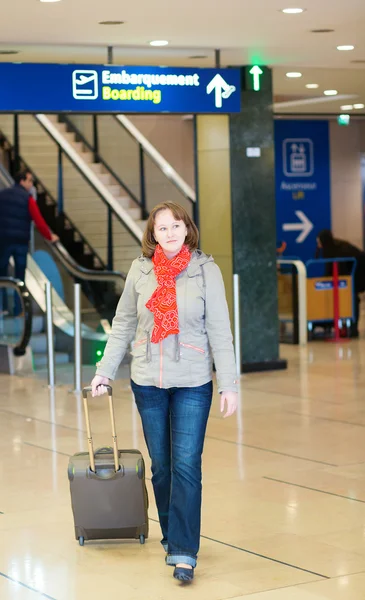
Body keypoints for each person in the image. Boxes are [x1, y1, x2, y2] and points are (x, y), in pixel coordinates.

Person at [91, 201, 238, 582]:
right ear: (152, 234)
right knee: (161, 468)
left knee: (187, 465)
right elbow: (123, 324)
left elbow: (220, 329)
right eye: (162, 229)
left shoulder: (206, 271)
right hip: (148, 382)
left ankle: (185, 552)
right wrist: (105, 371)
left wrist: (229, 383)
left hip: (193, 381)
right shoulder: (141, 270)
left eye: (176, 226)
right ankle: (174, 537)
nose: (170, 233)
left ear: (187, 229)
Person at [0, 169, 58, 314]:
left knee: (2, 275)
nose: (31, 184)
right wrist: (50, 236)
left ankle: (3, 307)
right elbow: (38, 220)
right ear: (22, 181)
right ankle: (18, 309)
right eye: (30, 180)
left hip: (4, 241)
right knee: (20, 277)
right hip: (20, 242)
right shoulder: (28, 198)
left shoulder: (2, 195)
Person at [316, 229, 365, 337]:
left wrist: (323, 280)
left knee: (352, 298)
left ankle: (353, 328)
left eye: (319, 242)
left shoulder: (335, 250)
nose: (318, 245)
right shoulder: (336, 246)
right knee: (352, 298)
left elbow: (334, 269)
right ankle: (352, 328)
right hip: (354, 273)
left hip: (358, 272)